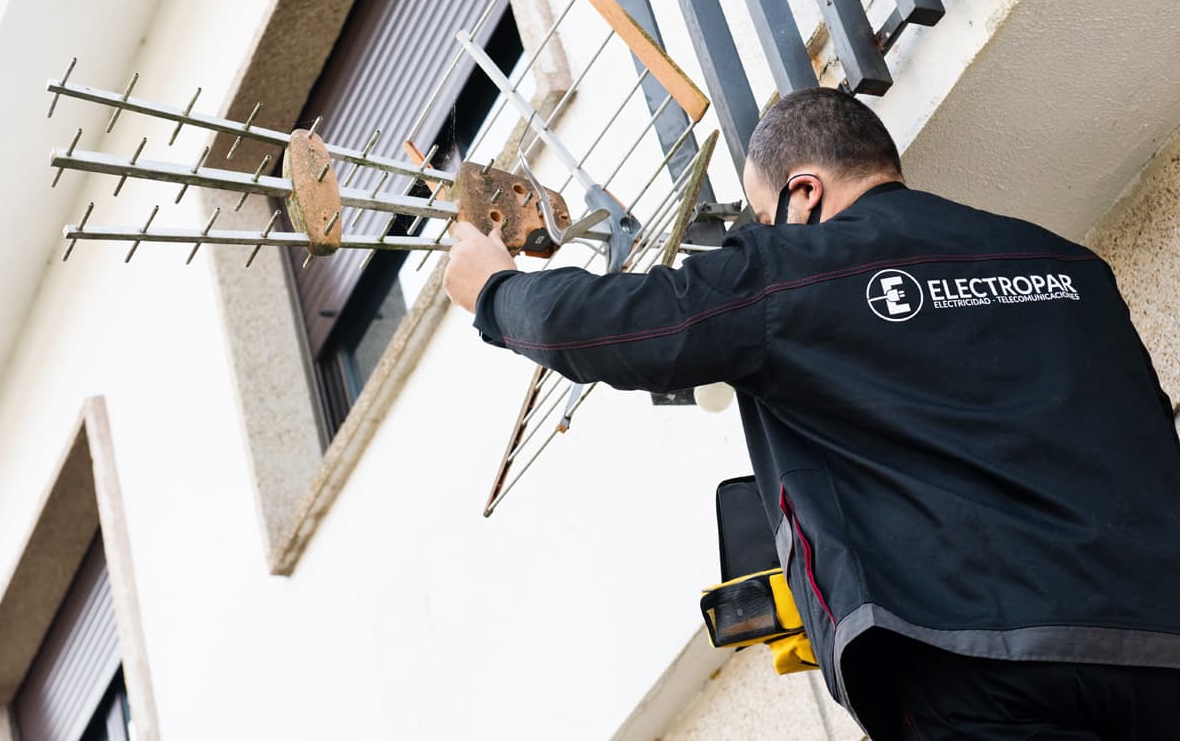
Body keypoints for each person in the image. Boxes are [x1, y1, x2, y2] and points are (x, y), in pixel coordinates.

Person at [442, 87, 1180, 739]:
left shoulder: (792, 269)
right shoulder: (1070, 267)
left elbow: (629, 323)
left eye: (762, 217)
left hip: (976, 661)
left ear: (804, 194)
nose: (761, 233)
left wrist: (496, 292)